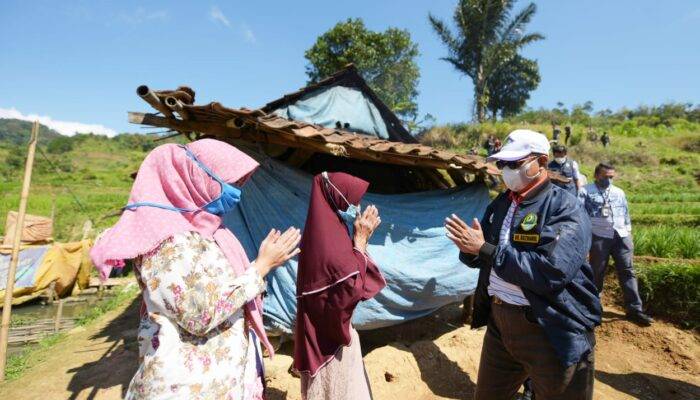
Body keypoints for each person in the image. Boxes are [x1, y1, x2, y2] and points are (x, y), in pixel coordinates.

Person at [90, 139, 302, 399]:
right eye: (231, 183)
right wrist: (260, 267)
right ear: (198, 178)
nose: (236, 192)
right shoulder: (167, 243)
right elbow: (198, 314)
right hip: (187, 387)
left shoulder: (209, 231)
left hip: (217, 382)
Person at [445, 129, 600, 400]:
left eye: (515, 164)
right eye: (502, 164)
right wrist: (470, 251)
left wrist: (485, 249)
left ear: (541, 162)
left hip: (550, 327)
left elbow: (551, 271)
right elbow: (489, 253)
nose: (506, 170)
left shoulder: (565, 207)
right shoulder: (502, 203)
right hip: (501, 326)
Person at [294, 172, 386, 400]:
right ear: (336, 198)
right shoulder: (329, 244)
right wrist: (361, 241)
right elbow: (352, 291)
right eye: (352, 200)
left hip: (322, 337)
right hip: (331, 346)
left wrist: (359, 241)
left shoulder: (325, 233)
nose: (356, 207)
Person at [579, 163, 653, 326]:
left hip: (621, 236)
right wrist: (584, 239)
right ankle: (593, 308)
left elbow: (626, 213)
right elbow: (580, 214)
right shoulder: (585, 191)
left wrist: (628, 234)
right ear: (597, 175)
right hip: (599, 235)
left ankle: (635, 310)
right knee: (597, 272)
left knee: (628, 271)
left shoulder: (619, 192)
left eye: (611, 177)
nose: (609, 180)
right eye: (606, 176)